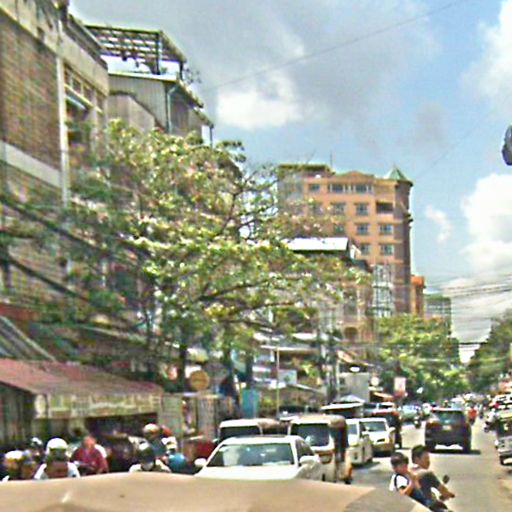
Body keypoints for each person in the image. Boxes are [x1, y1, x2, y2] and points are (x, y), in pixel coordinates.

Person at [411, 445, 455, 511]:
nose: (428, 461)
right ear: (417, 460)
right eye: (425, 458)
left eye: (428, 459)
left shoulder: (407, 473)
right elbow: (443, 490)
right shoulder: (427, 473)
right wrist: (449, 494)